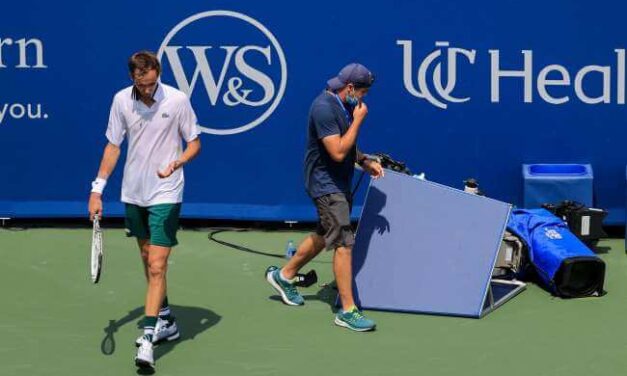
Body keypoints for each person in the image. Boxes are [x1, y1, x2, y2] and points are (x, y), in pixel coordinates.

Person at [88, 51, 201, 369]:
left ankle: (148, 339)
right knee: (146, 257)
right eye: (143, 84)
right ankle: (166, 318)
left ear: (157, 75)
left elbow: (194, 142)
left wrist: (177, 162)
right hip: (134, 192)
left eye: (153, 83)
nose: (149, 89)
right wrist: (97, 190)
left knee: (156, 265)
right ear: (133, 78)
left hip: (166, 191)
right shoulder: (121, 101)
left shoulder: (177, 100)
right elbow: (113, 146)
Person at [265, 63, 383, 332]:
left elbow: (349, 146)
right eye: (363, 92)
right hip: (324, 184)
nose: (364, 98)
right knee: (343, 240)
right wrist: (359, 121)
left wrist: (364, 161)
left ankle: (284, 275)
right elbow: (338, 151)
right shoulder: (323, 108)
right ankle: (348, 311)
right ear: (350, 88)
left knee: (323, 234)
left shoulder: (344, 105)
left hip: (339, 182)